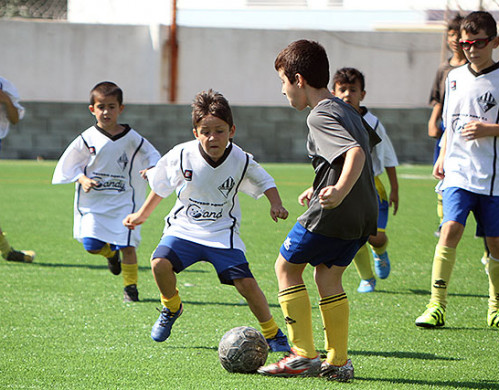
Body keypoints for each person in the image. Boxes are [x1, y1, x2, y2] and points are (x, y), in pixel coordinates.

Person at [122, 89, 291, 352]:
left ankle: (273, 333)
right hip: (184, 229)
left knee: (246, 283)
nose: (213, 137)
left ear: (231, 130)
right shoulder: (181, 154)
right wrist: (142, 214)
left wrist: (276, 203)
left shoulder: (240, 159)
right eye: (206, 131)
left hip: (223, 233)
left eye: (220, 130)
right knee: (159, 263)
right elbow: (161, 183)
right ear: (195, 133)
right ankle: (171, 307)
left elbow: (265, 180)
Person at [257, 40, 379, 381]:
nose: (283, 91)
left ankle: (302, 355)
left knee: (286, 268)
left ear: (298, 79)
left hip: (336, 211)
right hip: (363, 213)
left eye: (282, 82)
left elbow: (354, 153)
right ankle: (338, 362)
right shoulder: (347, 109)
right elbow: (361, 148)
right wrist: (323, 181)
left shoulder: (320, 113)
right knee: (327, 276)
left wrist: (338, 190)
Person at [415, 11, 499, 331]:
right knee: (450, 229)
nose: (471, 49)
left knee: (498, 242)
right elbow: (451, 122)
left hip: (496, 175)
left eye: (478, 43)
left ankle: (497, 310)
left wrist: (490, 129)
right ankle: (436, 305)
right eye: (465, 43)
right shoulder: (454, 76)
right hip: (459, 170)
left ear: (495, 42)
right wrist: (442, 156)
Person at [52, 81, 160, 302]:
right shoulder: (87, 138)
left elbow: (152, 155)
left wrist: (151, 169)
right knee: (91, 246)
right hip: (95, 203)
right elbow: (70, 165)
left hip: (124, 201)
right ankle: (111, 254)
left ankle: (131, 289)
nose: (106, 112)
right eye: (101, 107)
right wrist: (82, 179)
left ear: (121, 109)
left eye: (112, 106)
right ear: (92, 109)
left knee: (128, 245)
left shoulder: (131, 137)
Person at [332, 67, 399, 293]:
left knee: (376, 237)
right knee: (355, 236)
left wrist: (395, 188)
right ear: (333, 92)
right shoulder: (331, 119)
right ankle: (367, 278)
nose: (347, 94)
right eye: (342, 89)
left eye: (353, 89)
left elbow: (387, 156)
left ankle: (380, 251)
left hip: (372, 187)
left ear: (363, 94)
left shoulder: (372, 122)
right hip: (345, 188)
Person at [428, 14, 468, 237]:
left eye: (458, 35)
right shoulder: (444, 69)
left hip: (467, 129)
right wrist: (433, 121)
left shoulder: (473, 68)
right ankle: (444, 221)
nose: (454, 39)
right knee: (441, 174)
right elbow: (437, 99)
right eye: (451, 34)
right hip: (446, 129)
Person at [0, 76, 35, 263]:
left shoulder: (3, 84)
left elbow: (14, 119)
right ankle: (7, 251)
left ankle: (7, 251)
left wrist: (5, 99)